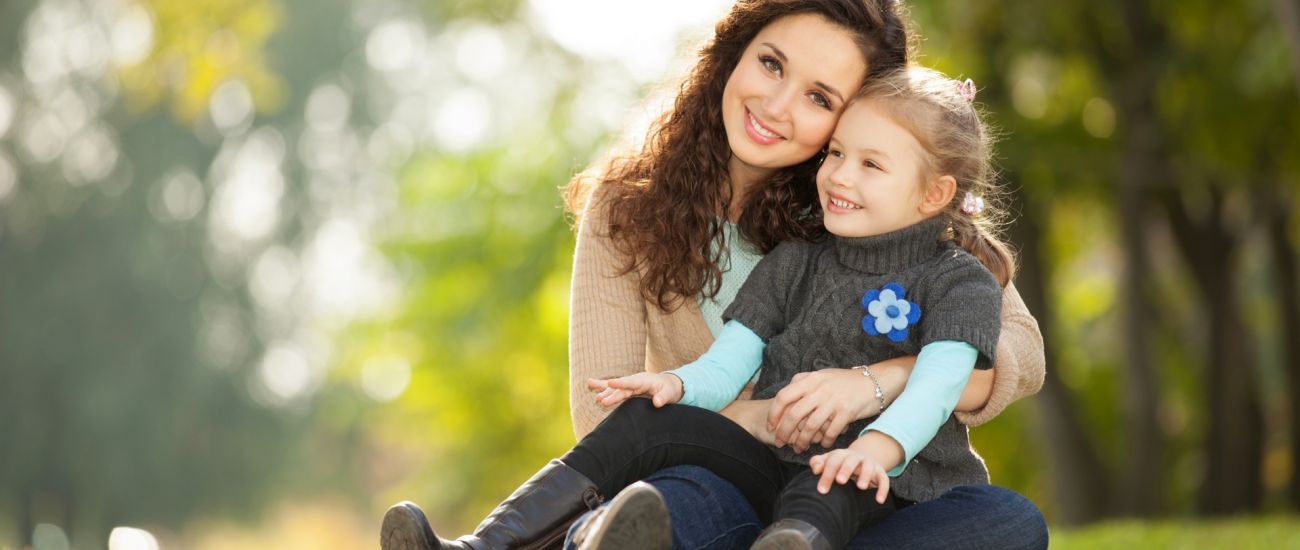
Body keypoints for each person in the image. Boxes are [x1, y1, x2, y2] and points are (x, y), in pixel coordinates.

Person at [381, 0, 1047, 548]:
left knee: (1007, 523)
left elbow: (1016, 352)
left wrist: (871, 385)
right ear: (734, 52)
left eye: (819, 97)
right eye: (771, 64)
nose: (778, 106)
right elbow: (605, 419)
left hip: (864, 495)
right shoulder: (631, 207)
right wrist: (772, 416)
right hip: (722, 481)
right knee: (668, 502)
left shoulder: (869, 211)